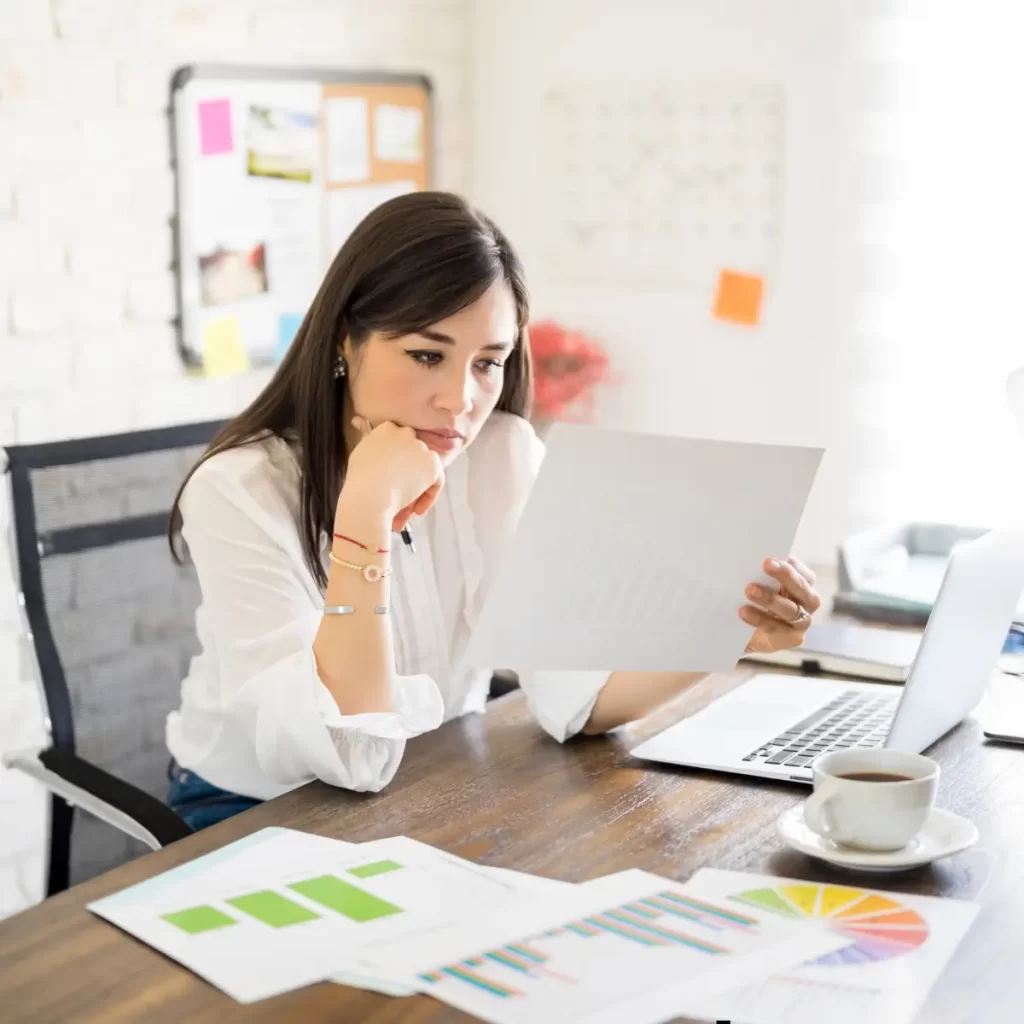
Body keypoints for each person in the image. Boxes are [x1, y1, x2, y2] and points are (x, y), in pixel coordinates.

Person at [164, 191, 821, 831]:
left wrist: (729, 633)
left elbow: (575, 699)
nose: (461, 400)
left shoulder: (500, 455)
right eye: (427, 356)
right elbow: (348, 755)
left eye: (489, 363)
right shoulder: (238, 490)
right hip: (255, 813)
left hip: (425, 790)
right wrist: (364, 517)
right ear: (345, 341)